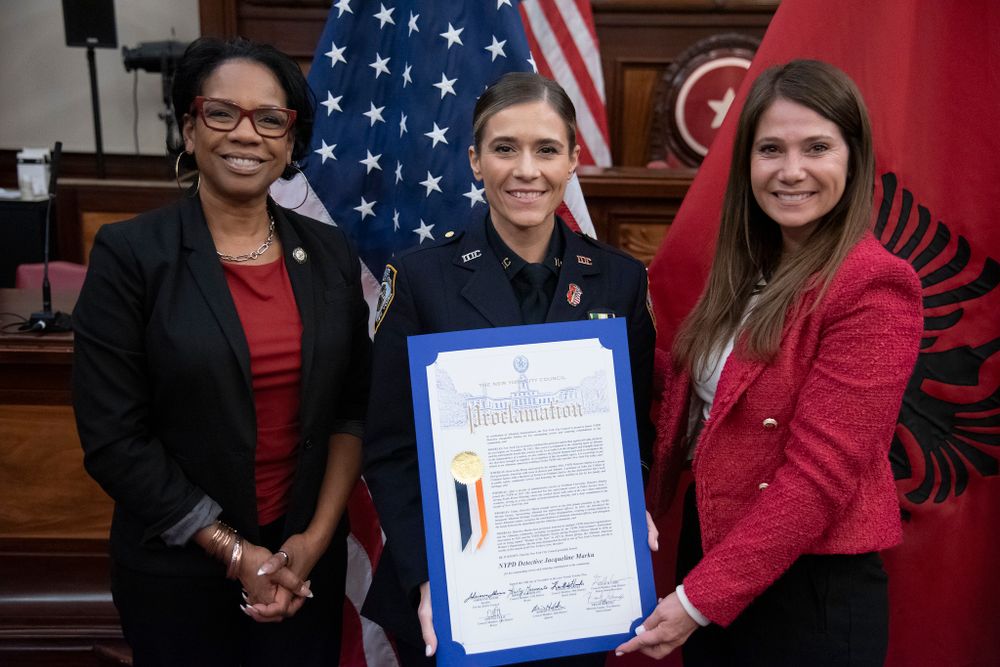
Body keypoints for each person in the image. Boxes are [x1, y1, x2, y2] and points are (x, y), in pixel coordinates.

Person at [72, 37, 370, 666]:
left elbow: (352, 410)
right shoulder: (131, 255)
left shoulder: (330, 254)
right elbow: (113, 439)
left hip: (302, 569)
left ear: (290, 143)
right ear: (189, 127)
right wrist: (235, 552)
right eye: (220, 112)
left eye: (269, 119)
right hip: (178, 574)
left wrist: (312, 544)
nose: (246, 134)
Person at [615, 60, 923, 665]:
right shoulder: (749, 270)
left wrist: (698, 601)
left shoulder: (876, 287)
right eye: (770, 149)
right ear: (746, 164)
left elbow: (819, 477)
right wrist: (572, 356)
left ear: (854, 159)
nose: (791, 171)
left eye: (816, 148)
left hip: (807, 596)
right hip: (713, 565)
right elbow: (702, 390)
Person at [361, 72, 658, 665]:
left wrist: (625, 501)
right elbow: (391, 446)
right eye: (505, 149)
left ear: (573, 160)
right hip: (455, 589)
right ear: (475, 161)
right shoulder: (420, 278)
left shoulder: (620, 280)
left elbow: (637, 426)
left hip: (576, 583)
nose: (527, 170)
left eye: (547, 149)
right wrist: (431, 578)